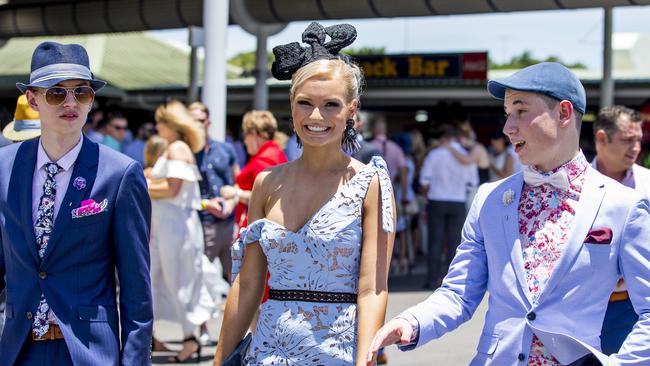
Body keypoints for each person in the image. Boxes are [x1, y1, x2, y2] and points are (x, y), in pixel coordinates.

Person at [367, 62, 650, 366]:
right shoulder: (490, 198)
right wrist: (412, 322)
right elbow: (459, 292)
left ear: (564, 113)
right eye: (507, 114)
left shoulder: (623, 205)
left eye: (520, 111)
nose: (507, 128)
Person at [214, 22, 395, 366]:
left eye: (330, 104)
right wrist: (220, 361)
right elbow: (249, 284)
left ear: (351, 110)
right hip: (268, 351)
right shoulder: (266, 183)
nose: (316, 116)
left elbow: (373, 289)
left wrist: (364, 361)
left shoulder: (370, 183)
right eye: (305, 103)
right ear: (291, 105)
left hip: (338, 352)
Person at [0, 41, 152, 366]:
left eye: (81, 92)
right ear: (32, 99)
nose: (70, 102)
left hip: (87, 352)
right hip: (18, 349)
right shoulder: (3, 167)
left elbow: (136, 288)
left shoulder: (120, 173)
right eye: (56, 92)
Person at [147, 100, 215, 363]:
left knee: (180, 282)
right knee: (165, 281)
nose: (156, 127)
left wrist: (141, 184)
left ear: (171, 126)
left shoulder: (176, 148)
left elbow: (172, 189)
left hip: (175, 229)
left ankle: (189, 339)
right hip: (170, 227)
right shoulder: (176, 148)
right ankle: (174, 337)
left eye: (160, 122)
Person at [592, 105, 650, 355]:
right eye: (628, 140)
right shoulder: (574, 184)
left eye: (639, 139)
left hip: (633, 308)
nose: (636, 147)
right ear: (602, 139)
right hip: (580, 306)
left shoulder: (647, 184)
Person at [419, 125, 474, 289]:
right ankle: (452, 282)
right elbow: (472, 183)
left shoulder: (434, 155)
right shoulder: (465, 155)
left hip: (437, 199)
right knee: (455, 242)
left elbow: (424, 182)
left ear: (444, 138)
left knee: (434, 241)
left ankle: (431, 280)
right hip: (457, 200)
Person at [220, 110, 287, 232]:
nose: (244, 141)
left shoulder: (264, 159)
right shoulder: (275, 152)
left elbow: (269, 199)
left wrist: (236, 193)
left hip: (258, 229)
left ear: (255, 134)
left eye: (245, 134)